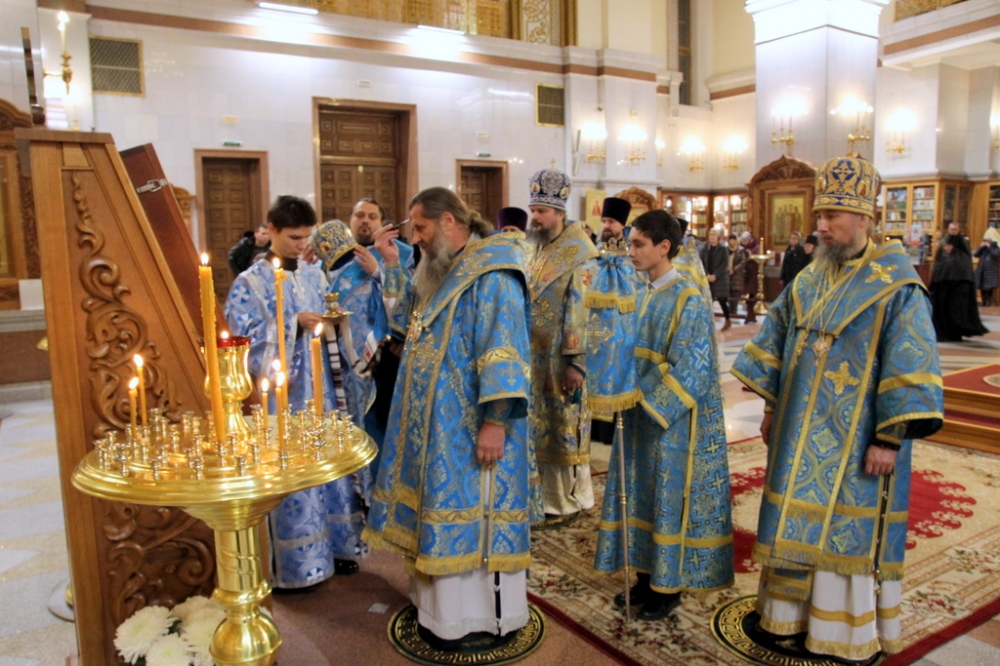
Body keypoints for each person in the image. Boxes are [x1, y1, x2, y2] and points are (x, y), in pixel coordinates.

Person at [731, 156, 944, 662]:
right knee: (790, 520)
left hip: (857, 441)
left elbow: (911, 362)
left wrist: (889, 439)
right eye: (819, 215)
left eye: (832, 216)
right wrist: (770, 407)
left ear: (864, 217)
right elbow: (776, 341)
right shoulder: (810, 278)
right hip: (796, 430)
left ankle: (841, 634)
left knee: (842, 536)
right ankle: (784, 618)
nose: (821, 226)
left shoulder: (897, 286)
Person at [364, 187, 533, 650]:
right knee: (434, 512)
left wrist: (496, 421)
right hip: (436, 427)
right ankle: (437, 612)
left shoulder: (493, 272)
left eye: (421, 228)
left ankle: (477, 619)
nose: (415, 238)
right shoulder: (440, 266)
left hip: (471, 426)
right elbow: (408, 322)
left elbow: (504, 349)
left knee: (472, 519)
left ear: (450, 222)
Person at [594, 208, 733, 621]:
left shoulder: (687, 297)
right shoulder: (638, 291)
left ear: (664, 247)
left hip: (669, 422)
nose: (631, 251)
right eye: (630, 243)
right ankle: (643, 576)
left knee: (665, 498)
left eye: (638, 244)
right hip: (635, 415)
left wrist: (644, 394)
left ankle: (666, 588)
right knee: (638, 493)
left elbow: (694, 364)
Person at [225, 195, 367, 587]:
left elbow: (331, 322)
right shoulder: (249, 283)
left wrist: (331, 322)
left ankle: (338, 547)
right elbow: (241, 342)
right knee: (292, 473)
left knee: (327, 466)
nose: (301, 245)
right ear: (271, 230)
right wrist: (292, 324)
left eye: (306, 237)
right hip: (280, 398)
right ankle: (298, 565)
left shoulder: (314, 276)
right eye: (293, 237)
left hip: (319, 391)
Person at [525, 168, 599, 524]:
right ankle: (539, 498)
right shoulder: (535, 246)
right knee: (538, 427)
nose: (535, 217)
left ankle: (567, 500)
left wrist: (576, 361)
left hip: (560, 359)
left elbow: (582, 309)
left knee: (562, 426)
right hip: (533, 357)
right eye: (532, 210)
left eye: (541, 211)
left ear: (559, 212)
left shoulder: (581, 252)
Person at [309, 218, 390, 480]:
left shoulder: (380, 258)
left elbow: (402, 294)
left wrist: (378, 272)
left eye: (371, 216)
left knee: (375, 424)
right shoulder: (317, 274)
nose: (365, 220)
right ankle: (359, 483)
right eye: (360, 215)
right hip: (339, 362)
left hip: (380, 357)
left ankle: (373, 482)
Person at [586, 197, 642, 444]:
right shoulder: (592, 254)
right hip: (595, 333)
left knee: (619, 377)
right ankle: (593, 431)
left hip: (622, 335)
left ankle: (611, 434)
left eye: (611, 221)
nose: (606, 226)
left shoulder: (632, 258)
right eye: (604, 221)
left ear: (622, 225)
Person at [930, 222, 988, 341]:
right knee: (943, 306)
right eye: (951, 229)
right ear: (948, 230)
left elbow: (967, 258)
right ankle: (943, 332)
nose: (953, 232)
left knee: (957, 308)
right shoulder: (943, 242)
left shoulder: (963, 242)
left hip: (961, 280)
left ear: (958, 230)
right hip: (944, 279)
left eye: (955, 230)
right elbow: (938, 258)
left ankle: (956, 333)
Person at [700, 227, 731, 330]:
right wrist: (707, 274)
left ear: (718, 237)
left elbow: (724, 264)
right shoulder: (705, 249)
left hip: (720, 279)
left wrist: (715, 275)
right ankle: (706, 322)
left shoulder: (723, 249)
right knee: (708, 301)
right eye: (710, 235)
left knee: (722, 300)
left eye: (714, 235)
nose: (711, 237)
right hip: (708, 278)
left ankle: (728, 320)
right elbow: (701, 263)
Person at [739, 231, 760, 324]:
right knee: (746, 294)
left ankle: (751, 314)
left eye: (746, 240)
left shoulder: (755, 247)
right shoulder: (741, 248)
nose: (744, 242)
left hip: (752, 273)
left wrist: (750, 254)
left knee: (751, 294)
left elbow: (756, 259)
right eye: (743, 241)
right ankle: (750, 314)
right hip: (744, 273)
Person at [973, 237, 999, 307]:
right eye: (984, 241)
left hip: (990, 270)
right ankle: (983, 300)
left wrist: (989, 247)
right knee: (981, 286)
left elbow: (995, 254)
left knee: (989, 286)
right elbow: (975, 254)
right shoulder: (983, 249)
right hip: (982, 270)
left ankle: (988, 301)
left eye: (987, 241)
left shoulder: (995, 247)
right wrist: (981, 247)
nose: (985, 243)